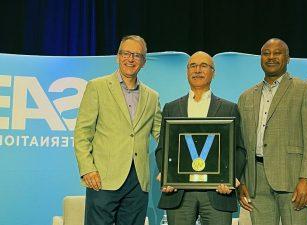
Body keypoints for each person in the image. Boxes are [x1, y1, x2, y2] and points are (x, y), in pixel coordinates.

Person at [74, 35, 162, 225]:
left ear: (144, 62)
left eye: (136, 55)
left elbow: (163, 135)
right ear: (117, 56)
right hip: (103, 179)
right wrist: (87, 169)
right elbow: (82, 132)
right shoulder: (97, 87)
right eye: (126, 53)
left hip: (138, 182)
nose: (130, 59)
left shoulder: (152, 97)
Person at [237, 38, 307, 225]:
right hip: (256, 180)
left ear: (288, 58)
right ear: (260, 58)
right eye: (266, 53)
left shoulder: (303, 89)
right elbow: (241, 143)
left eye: (277, 53)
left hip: (292, 178)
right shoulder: (246, 97)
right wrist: (242, 180)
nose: (271, 57)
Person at [155, 51, 246, 225]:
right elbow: (162, 149)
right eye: (193, 66)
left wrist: (229, 178)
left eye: (204, 66)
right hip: (179, 193)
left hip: (218, 193)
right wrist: (168, 177)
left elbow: (239, 150)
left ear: (213, 72)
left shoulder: (229, 108)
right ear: (187, 71)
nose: (198, 70)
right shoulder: (171, 108)